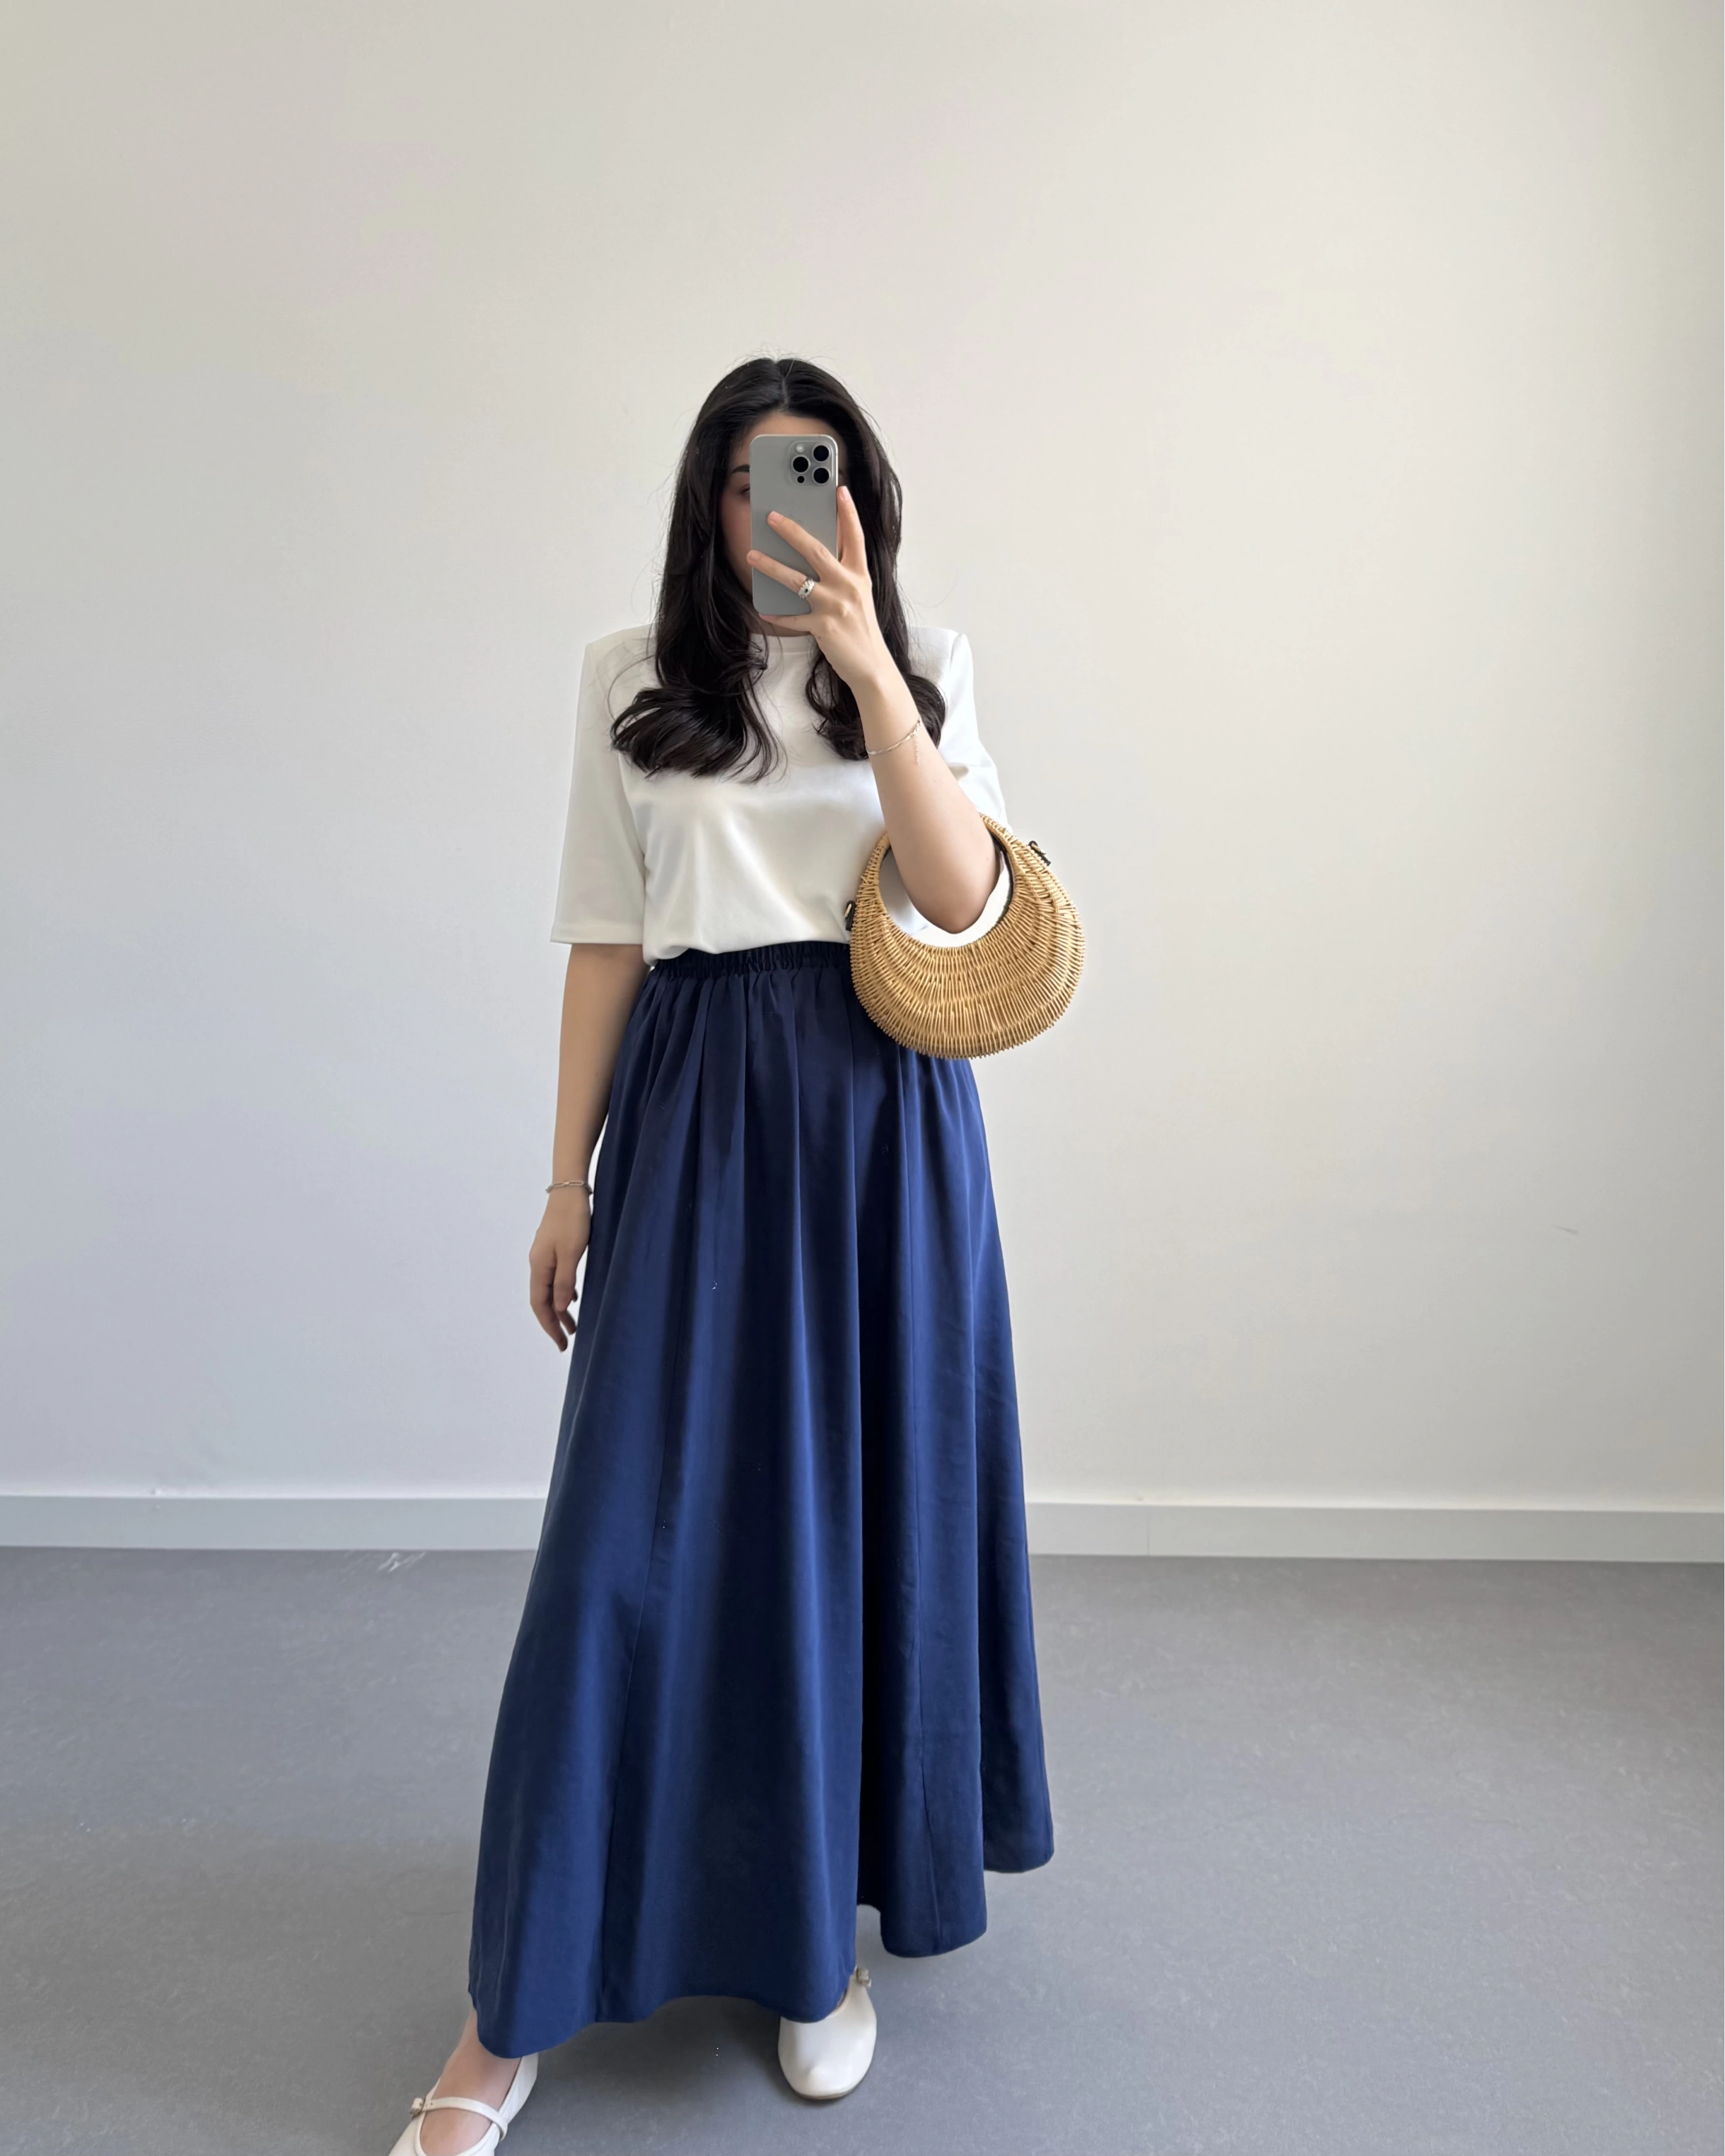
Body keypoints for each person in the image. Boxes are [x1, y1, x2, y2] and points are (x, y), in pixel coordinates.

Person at [386, 356, 1055, 2156]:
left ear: (860, 504)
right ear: (710, 500)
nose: (783, 514)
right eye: (755, 481)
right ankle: (509, 2006)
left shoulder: (922, 666)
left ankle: (811, 1951)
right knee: (624, 1546)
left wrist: (871, 675)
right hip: (695, 1118)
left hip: (883, 1131)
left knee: (851, 1534)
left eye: (813, 479)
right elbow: (607, 938)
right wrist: (566, 1177)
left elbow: (961, 898)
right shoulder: (630, 678)